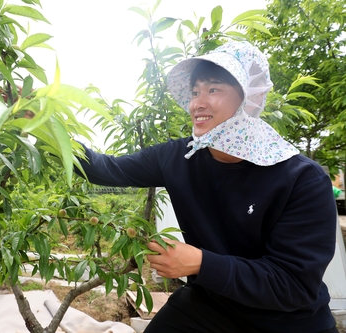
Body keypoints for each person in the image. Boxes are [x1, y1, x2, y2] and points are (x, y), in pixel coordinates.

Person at [75, 41, 338, 332]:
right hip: (212, 303)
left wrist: (201, 263)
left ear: (248, 98)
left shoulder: (301, 179)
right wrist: (42, 124)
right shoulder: (179, 156)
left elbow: (293, 285)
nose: (197, 103)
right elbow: (103, 168)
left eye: (213, 89)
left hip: (288, 321)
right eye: (195, 92)